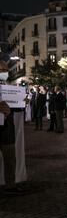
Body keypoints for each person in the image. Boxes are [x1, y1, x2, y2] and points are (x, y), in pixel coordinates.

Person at [0, 60, 27, 194]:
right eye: (1, 70)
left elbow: (16, 108)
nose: (4, 72)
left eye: (5, 70)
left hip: (7, 130)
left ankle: (10, 186)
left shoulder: (8, 87)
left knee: (10, 160)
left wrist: (22, 102)